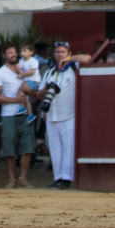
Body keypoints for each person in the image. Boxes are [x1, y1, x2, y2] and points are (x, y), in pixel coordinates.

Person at [32, 40, 92, 189]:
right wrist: (44, 92)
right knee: (55, 149)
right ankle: (58, 177)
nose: (60, 54)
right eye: (58, 52)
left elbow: (88, 58)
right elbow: (39, 94)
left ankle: (67, 178)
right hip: (52, 114)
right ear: (53, 54)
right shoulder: (49, 72)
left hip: (69, 114)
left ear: (68, 53)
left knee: (68, 147)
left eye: (63, 52)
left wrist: (69, 60)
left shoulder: (73, 68)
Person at [0, 43, 36, 189]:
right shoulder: (0, 73)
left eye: (14, 52)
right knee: (9, 147)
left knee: (27, 146)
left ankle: (22, 177)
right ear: (4, 55)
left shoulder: (25, 69)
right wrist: (15, 100)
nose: (13, 54)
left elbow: (35, 87)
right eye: (9, 52)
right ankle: (11, 178)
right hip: (9, 114)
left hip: (24, 113)